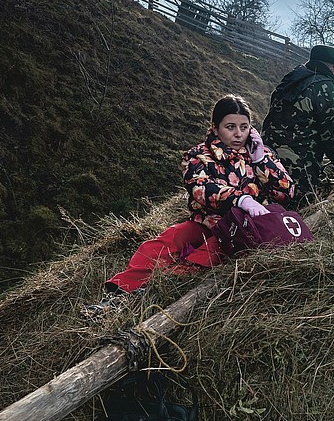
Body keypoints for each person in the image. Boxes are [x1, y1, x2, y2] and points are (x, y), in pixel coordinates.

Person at [103, 94, 295, 295]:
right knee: (168, 239)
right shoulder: (197, 155)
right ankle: (120, 289)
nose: (238, 134)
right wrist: (241, 199)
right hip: (205, 221)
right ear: (215, 127)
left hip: (241, 228)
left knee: (208, 253)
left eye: (244, 127)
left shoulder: (263, 154)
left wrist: (261, 161)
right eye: (230, 127)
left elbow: (286, 192)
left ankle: (154, 290)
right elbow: (200, 188)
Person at [262, 44, 334, 208]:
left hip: (266, 162)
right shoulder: (326, 87)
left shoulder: (291, 79)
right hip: (296, 173)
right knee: (297, 211)